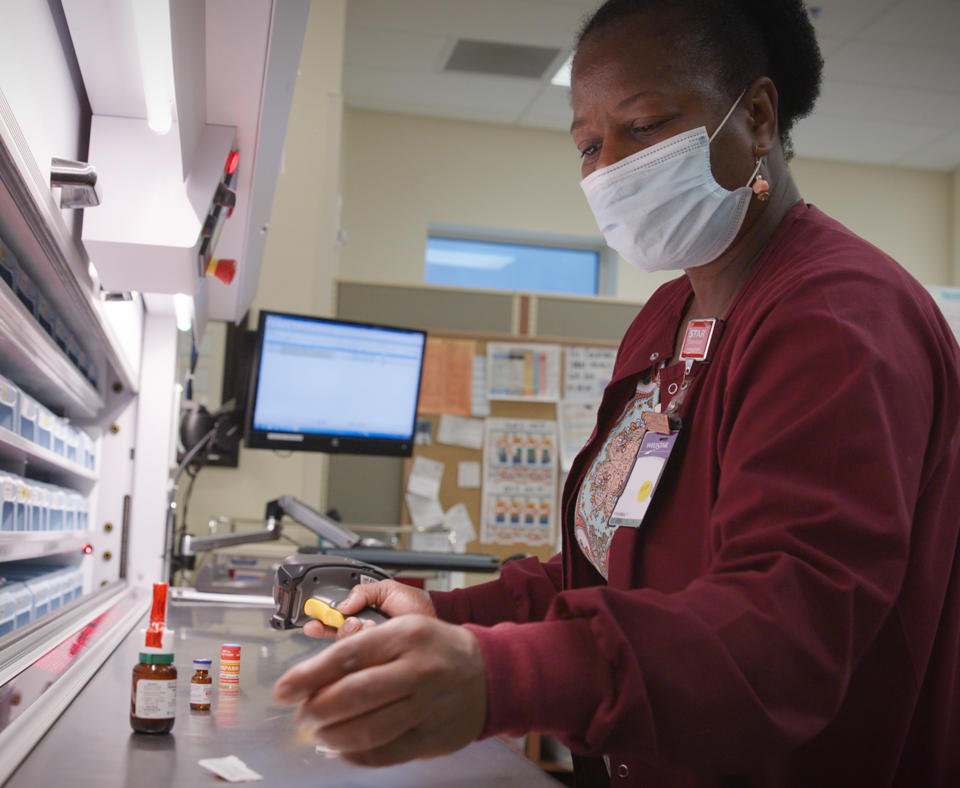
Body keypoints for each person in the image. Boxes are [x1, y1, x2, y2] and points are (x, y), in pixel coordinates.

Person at [274, 1, 960, 784]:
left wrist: (505, 676)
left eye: (643, 126)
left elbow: (783, 632)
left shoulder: (838, 318)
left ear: (759, 117)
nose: (609, 170)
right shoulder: (667, 320)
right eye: (589, 144)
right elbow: (607, 566)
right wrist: (447, 617)